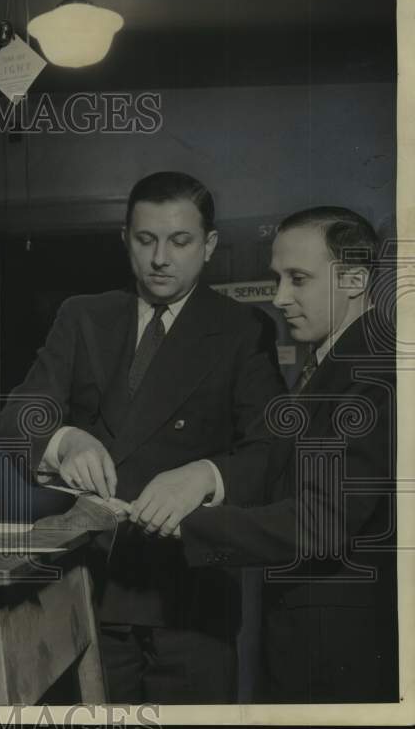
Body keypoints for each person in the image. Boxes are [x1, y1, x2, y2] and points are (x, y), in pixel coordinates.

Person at [0, 171, 286, 703]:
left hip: (193, 595)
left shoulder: (245, 328)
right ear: (124, 238)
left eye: (180, 241)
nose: (161, 258)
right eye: (146, 239)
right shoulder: (82, 315)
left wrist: (204, 475)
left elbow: (272, 450)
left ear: (209, 246)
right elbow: (21, 413)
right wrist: (65, 441)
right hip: (90, 588)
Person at [135, 206, 398, 703]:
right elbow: (285, 473)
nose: (279, 299)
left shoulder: (371, 375)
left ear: (355, 279)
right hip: (312, 636)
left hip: (339, 653)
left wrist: (191, 522)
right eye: (278, 279)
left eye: (298, 280)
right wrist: (205, 476)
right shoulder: (333, 365)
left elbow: (322, 521)